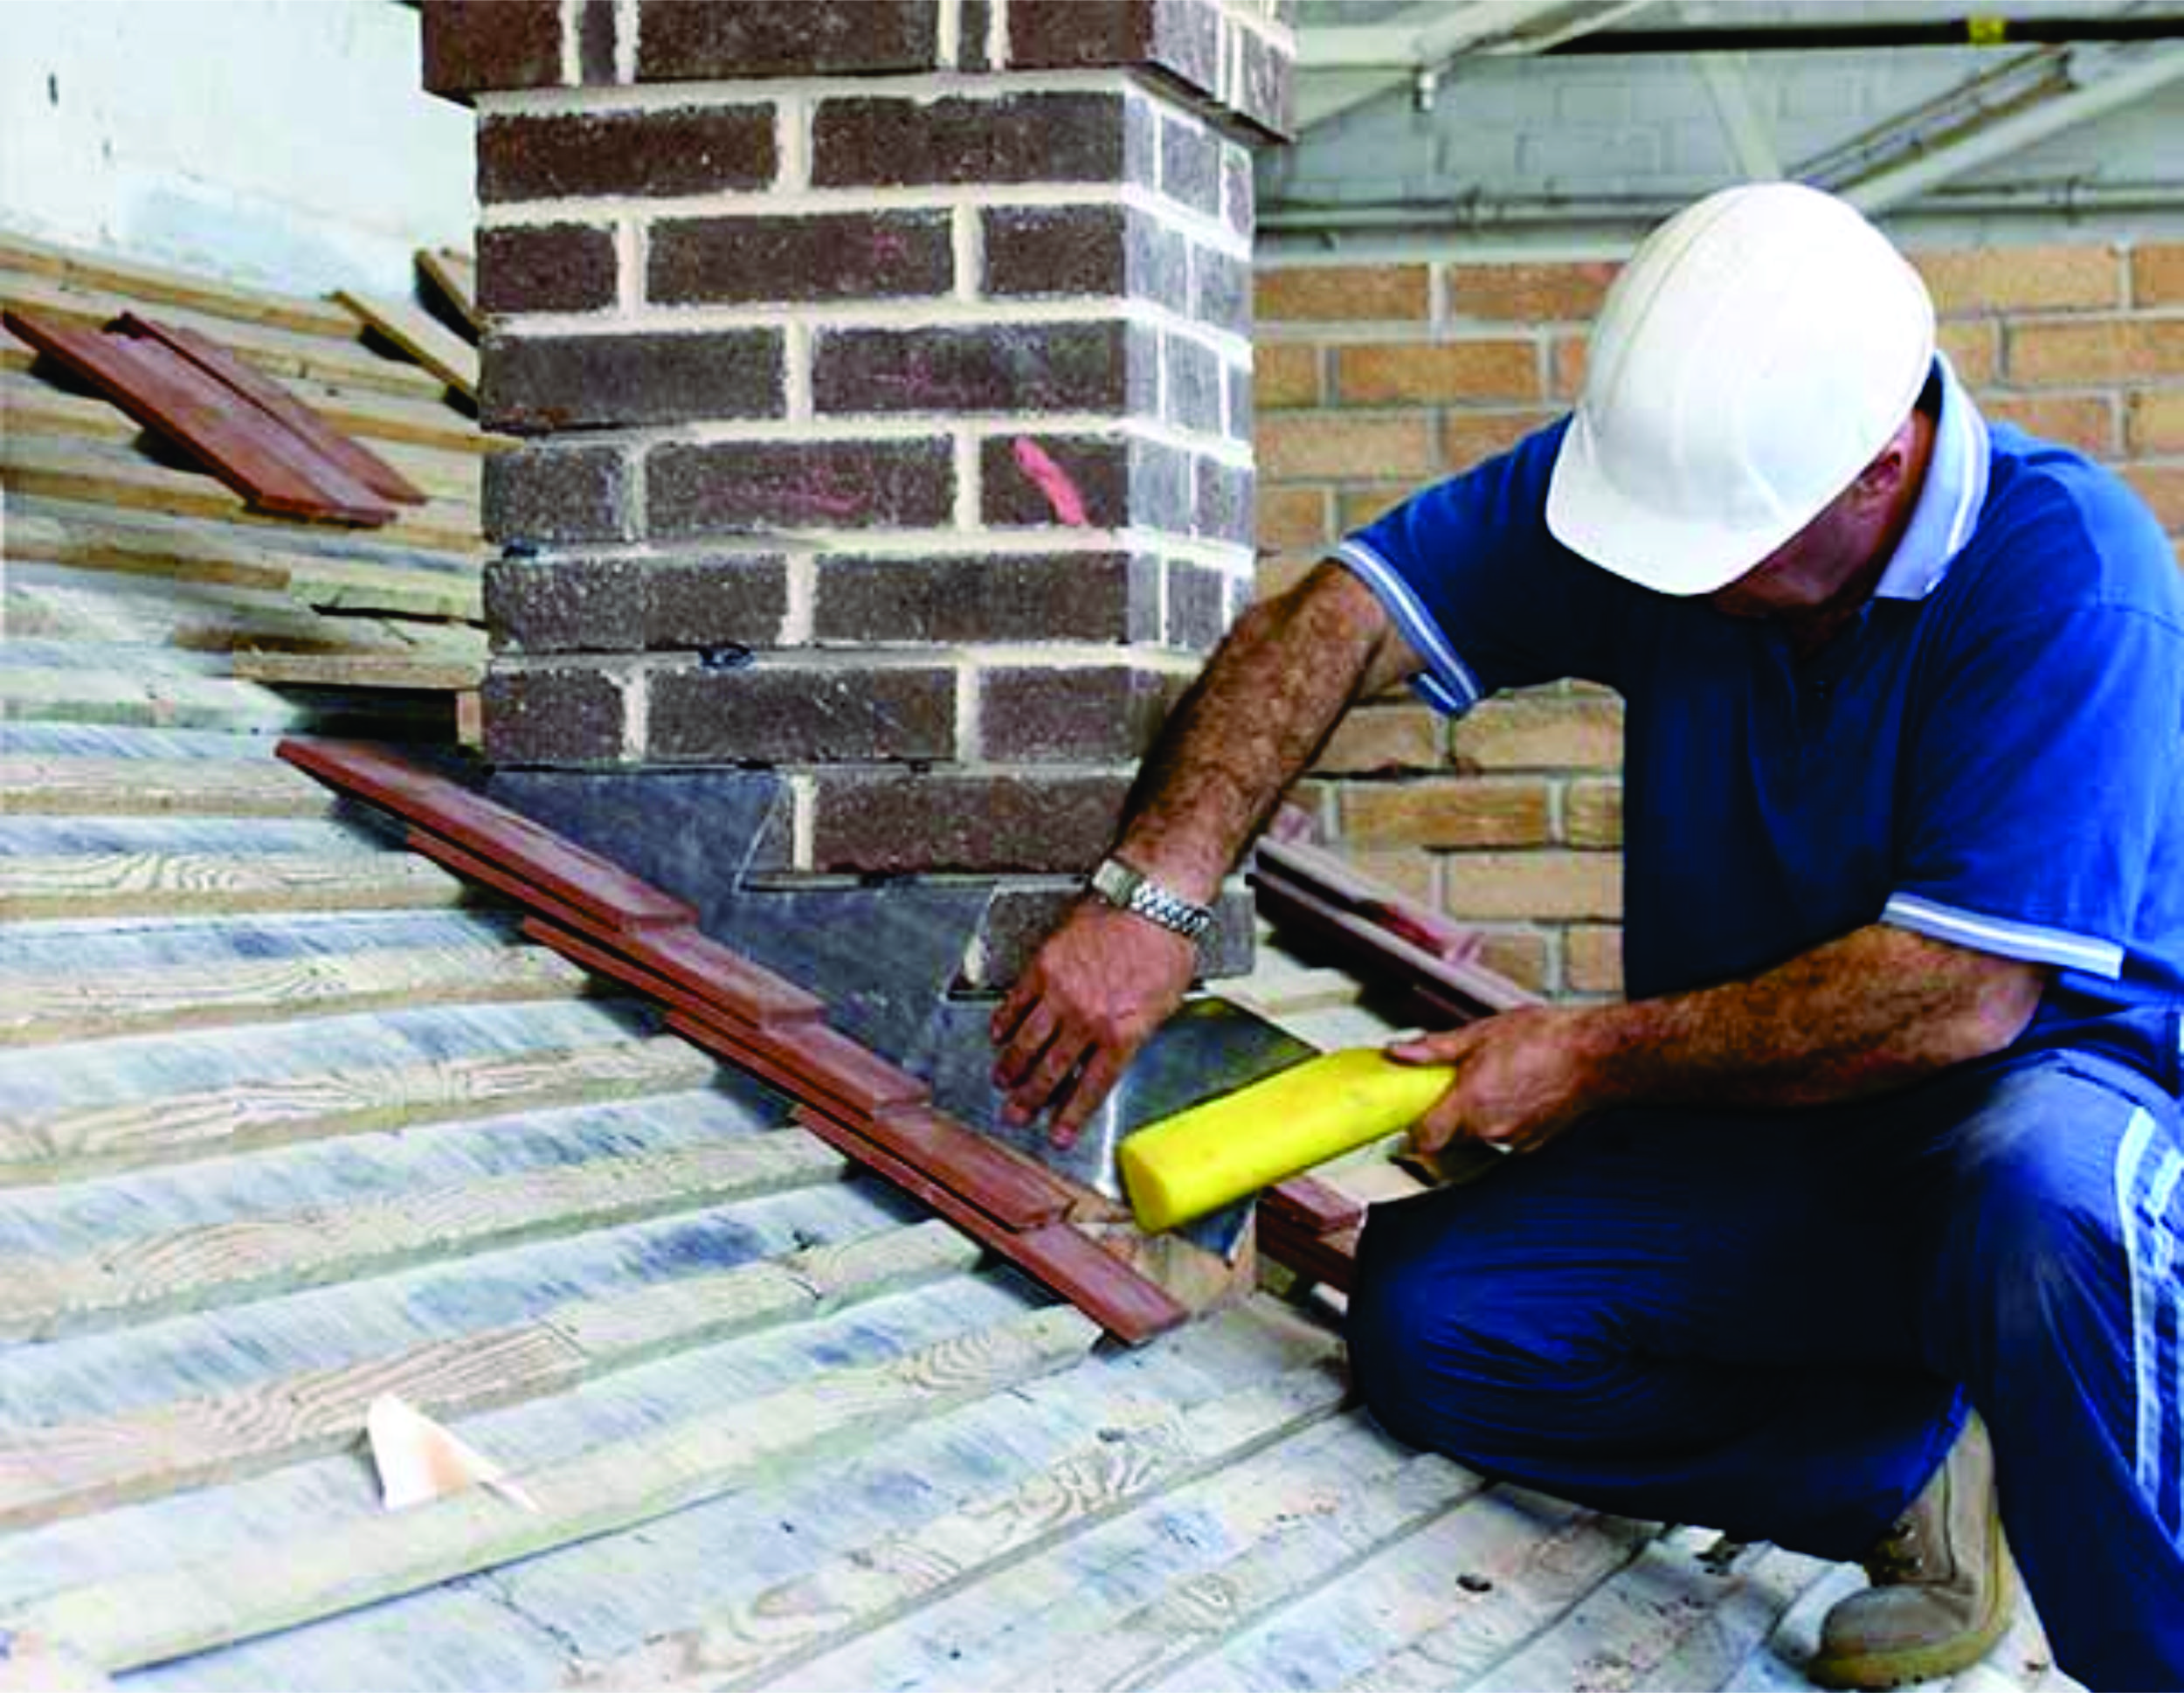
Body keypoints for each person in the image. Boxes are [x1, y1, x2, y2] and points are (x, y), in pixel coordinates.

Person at [990, 183, 2184, 1691]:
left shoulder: (2069, 574)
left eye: (1722, 553)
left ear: (1880, 467)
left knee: (2047, 1205)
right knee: (1440, 1324)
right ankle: (1899, 1468)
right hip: (1775, 1119)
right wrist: (1155, 891)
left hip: (2034, 1106)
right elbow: (1338, 615)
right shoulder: (1668, 496)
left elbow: (1956, 999)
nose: (1674, 584)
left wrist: (1592, 1057)